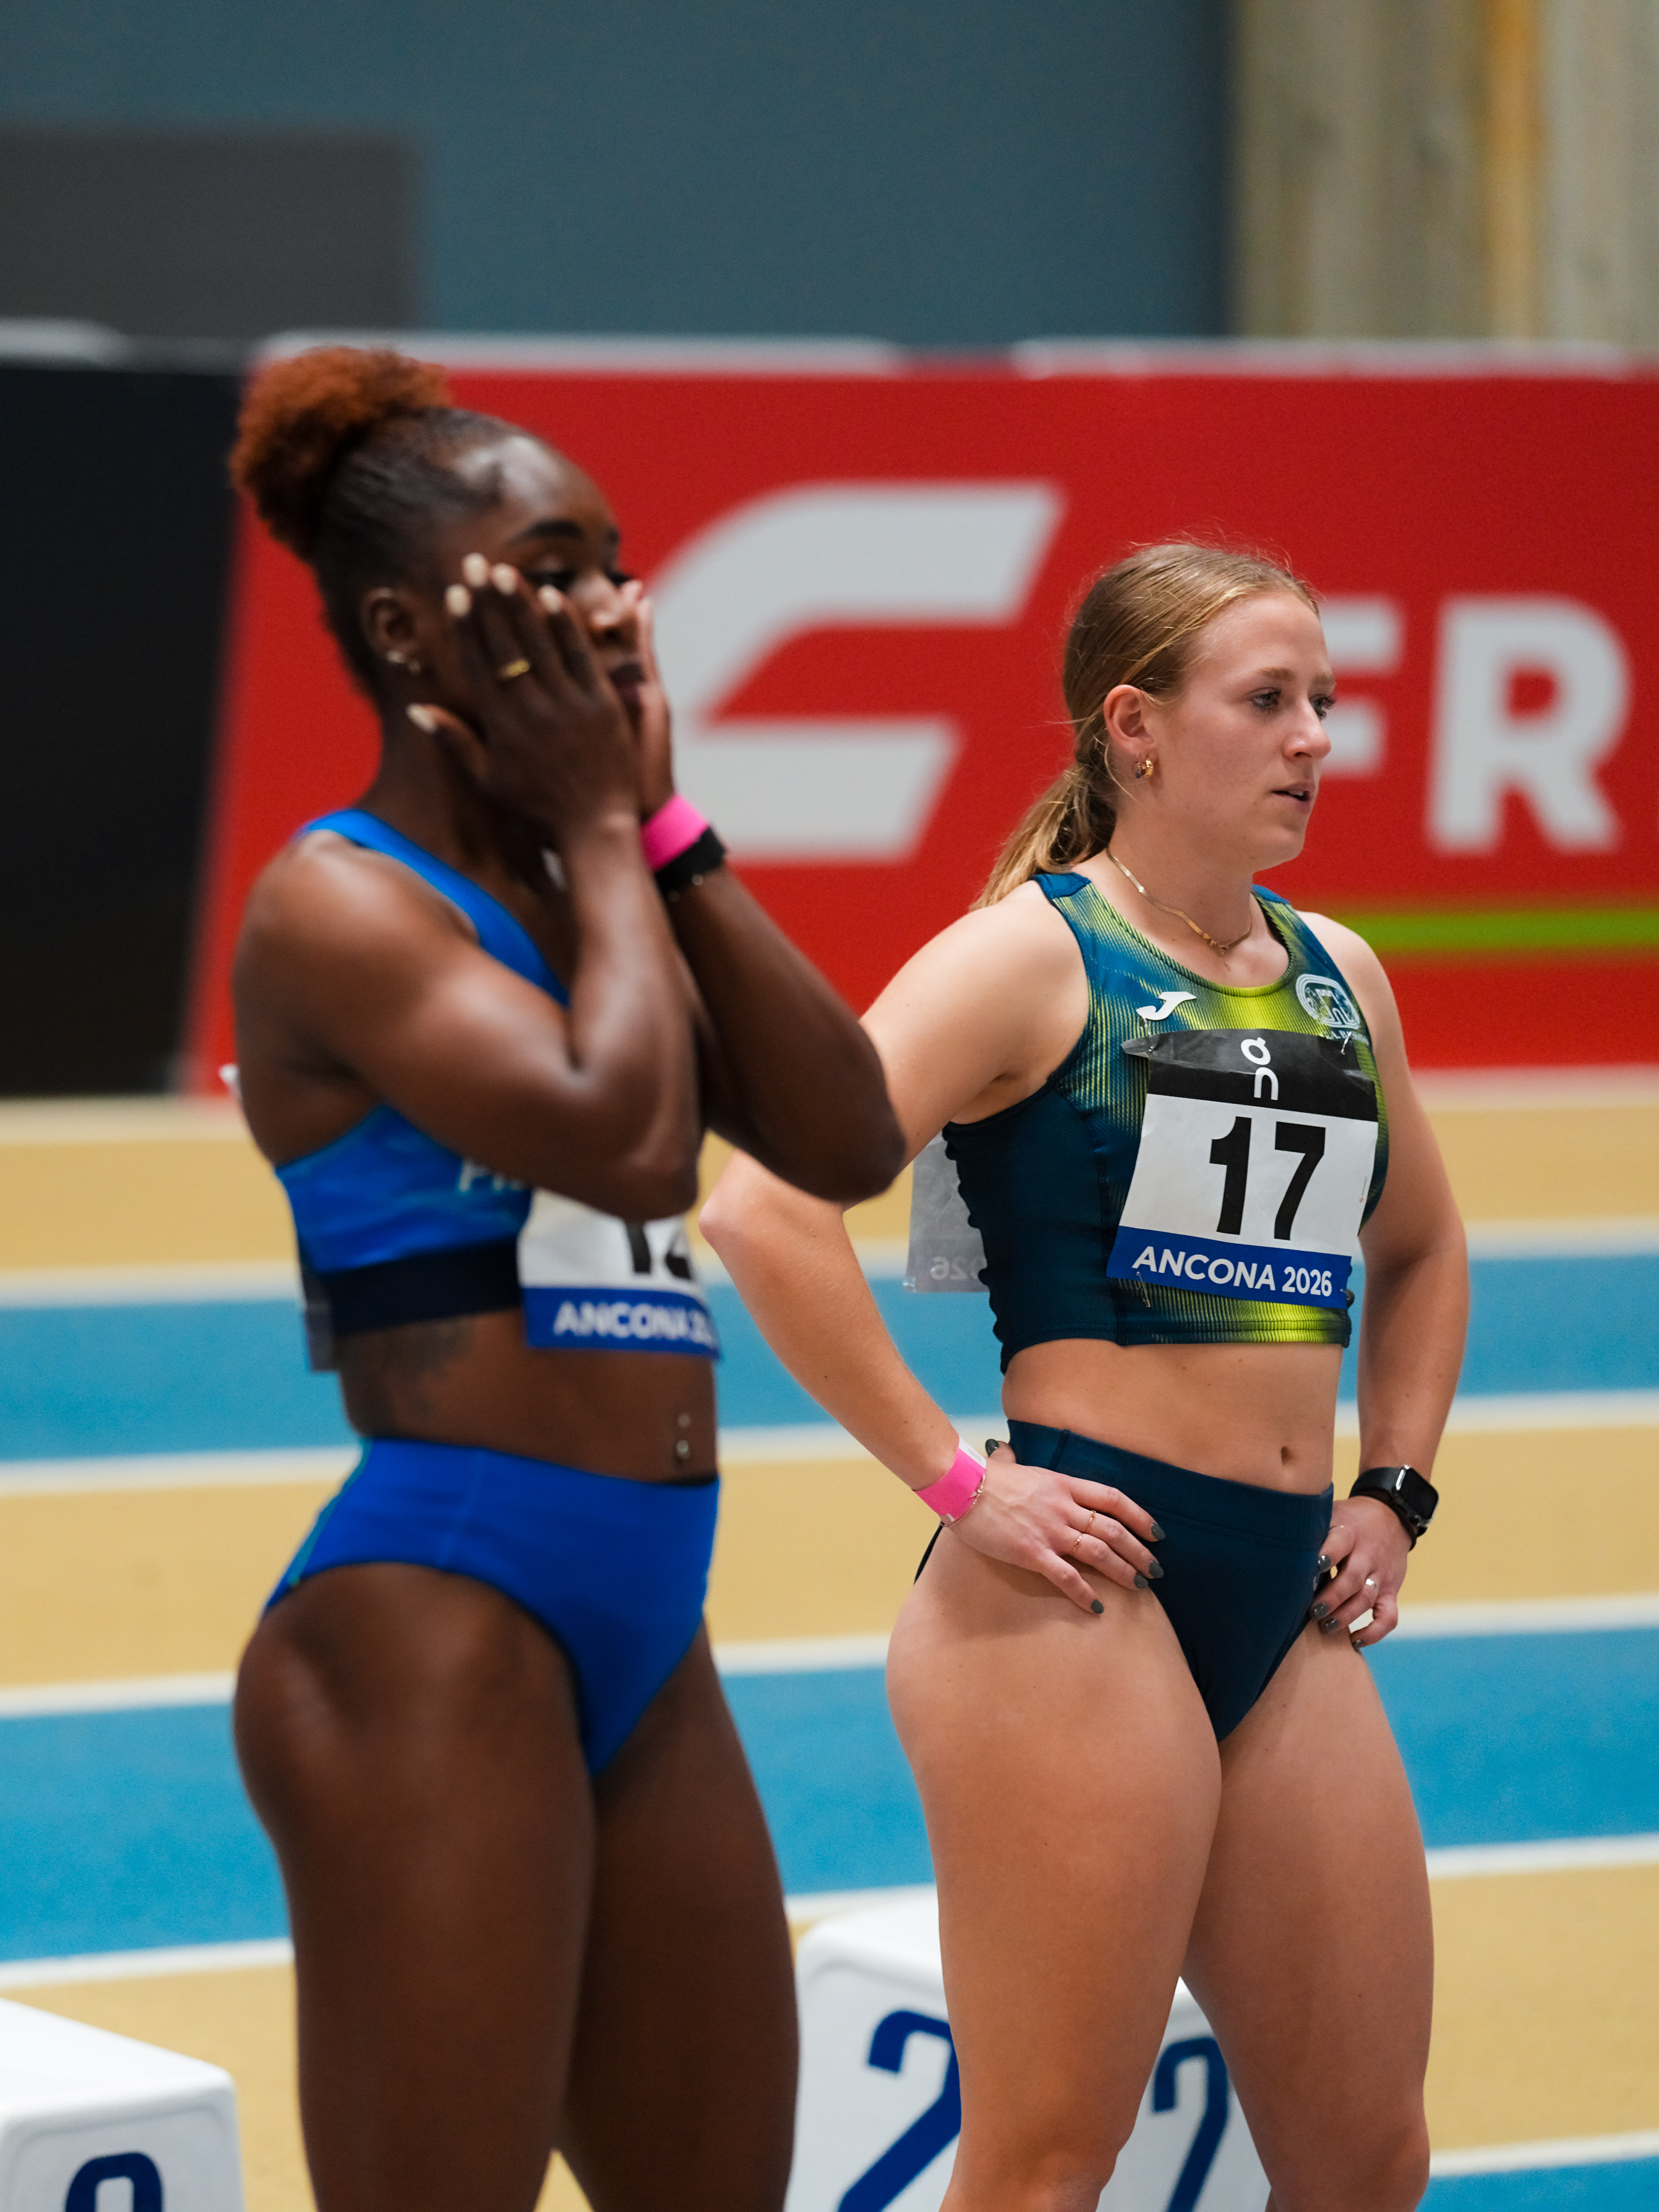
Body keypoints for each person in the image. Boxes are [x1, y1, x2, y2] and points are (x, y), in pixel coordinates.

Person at [704, 542, 1467, 2212]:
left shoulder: (1340, 974)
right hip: (1073, 1597)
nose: (1313, 737)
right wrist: (955, 1480)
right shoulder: (1026, 959)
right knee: (1048, 2162)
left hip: (1282, 1598)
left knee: (1367, 2161)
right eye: (1266, 700)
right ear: (1133, 726)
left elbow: (1418, 1248)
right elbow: (762, 1208)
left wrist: (1393, 1488)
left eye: (1323, 701)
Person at [226, 346, 903, 2212]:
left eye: (613, 562)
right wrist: (605, 830)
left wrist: (661, 830)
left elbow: (850, 1136)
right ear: (405, 631)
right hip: (438, 1609)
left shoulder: (599, 893)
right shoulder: (339, 901)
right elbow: (626, 1140)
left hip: (646, 1627)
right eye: (550, 569)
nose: (610, 604)